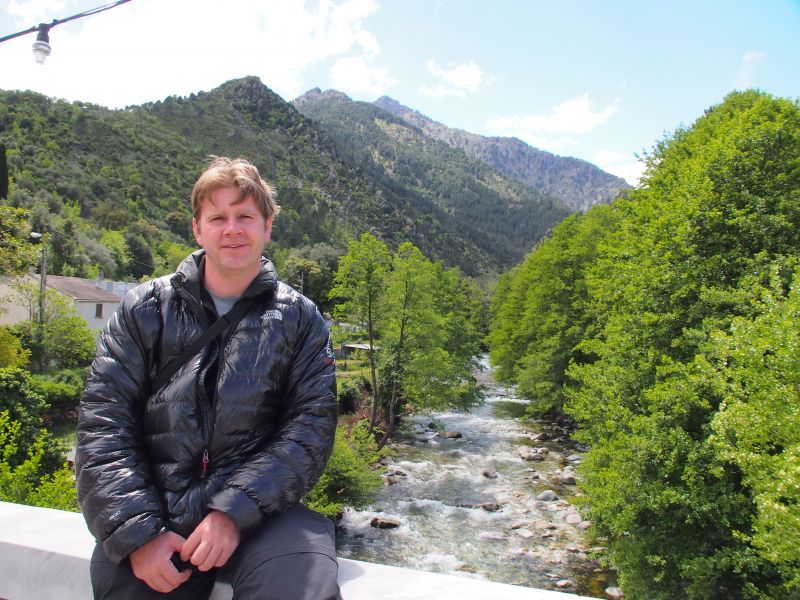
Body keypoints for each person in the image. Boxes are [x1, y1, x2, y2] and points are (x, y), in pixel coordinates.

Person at [76, 156, 341, 600]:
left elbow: (309, 430)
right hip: (154, 506)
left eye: (245, 217)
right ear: (198, 230)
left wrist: (233, 511)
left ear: (267, 227)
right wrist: (137, 532)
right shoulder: (144, 309)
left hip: (264, 513)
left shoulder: (301, 319)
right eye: (218, 218)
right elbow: (103, 423)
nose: (232, 229)